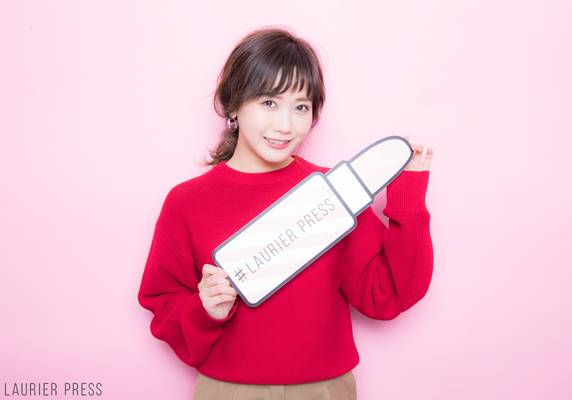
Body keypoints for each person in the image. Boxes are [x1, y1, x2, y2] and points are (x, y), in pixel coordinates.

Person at [138, 26, 434, 400]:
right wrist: (204, 309)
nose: (285, 125)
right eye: (268, 103)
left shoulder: (336, 193)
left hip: (325, 391)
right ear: (233, 105)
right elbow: (163, 304)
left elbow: (389, 294)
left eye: (301, 107)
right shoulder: (187, 202)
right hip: (229, 391)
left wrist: (407, 198)